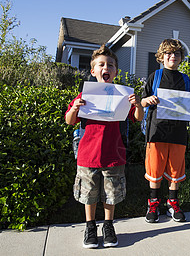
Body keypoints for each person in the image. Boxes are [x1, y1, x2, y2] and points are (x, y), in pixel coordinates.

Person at [65, 44, 144, 249]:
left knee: (111, 193)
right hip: (87, 154)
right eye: (101, 64)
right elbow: (69, 121)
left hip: (113, 154)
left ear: (116, 71)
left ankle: (108, 226)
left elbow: (136, 118)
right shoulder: (84, 96)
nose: (105, 68)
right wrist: (74, 108)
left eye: (110, 65)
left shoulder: (122, 95)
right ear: (93, 71)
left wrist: (138, 105)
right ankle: (90, 227)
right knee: (89, 193)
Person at [141, 39, 190, 223]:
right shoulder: (155, 76)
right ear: (161, 56)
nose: (172, 56)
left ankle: (172, 203)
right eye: (168, 53)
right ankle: (153, 203)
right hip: (156, 131)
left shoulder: (185, 79)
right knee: (155, 169)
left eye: (176, 53)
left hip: (178, 132)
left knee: (175, 170)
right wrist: (148, 100)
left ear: (181, 58)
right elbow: (141, 102)